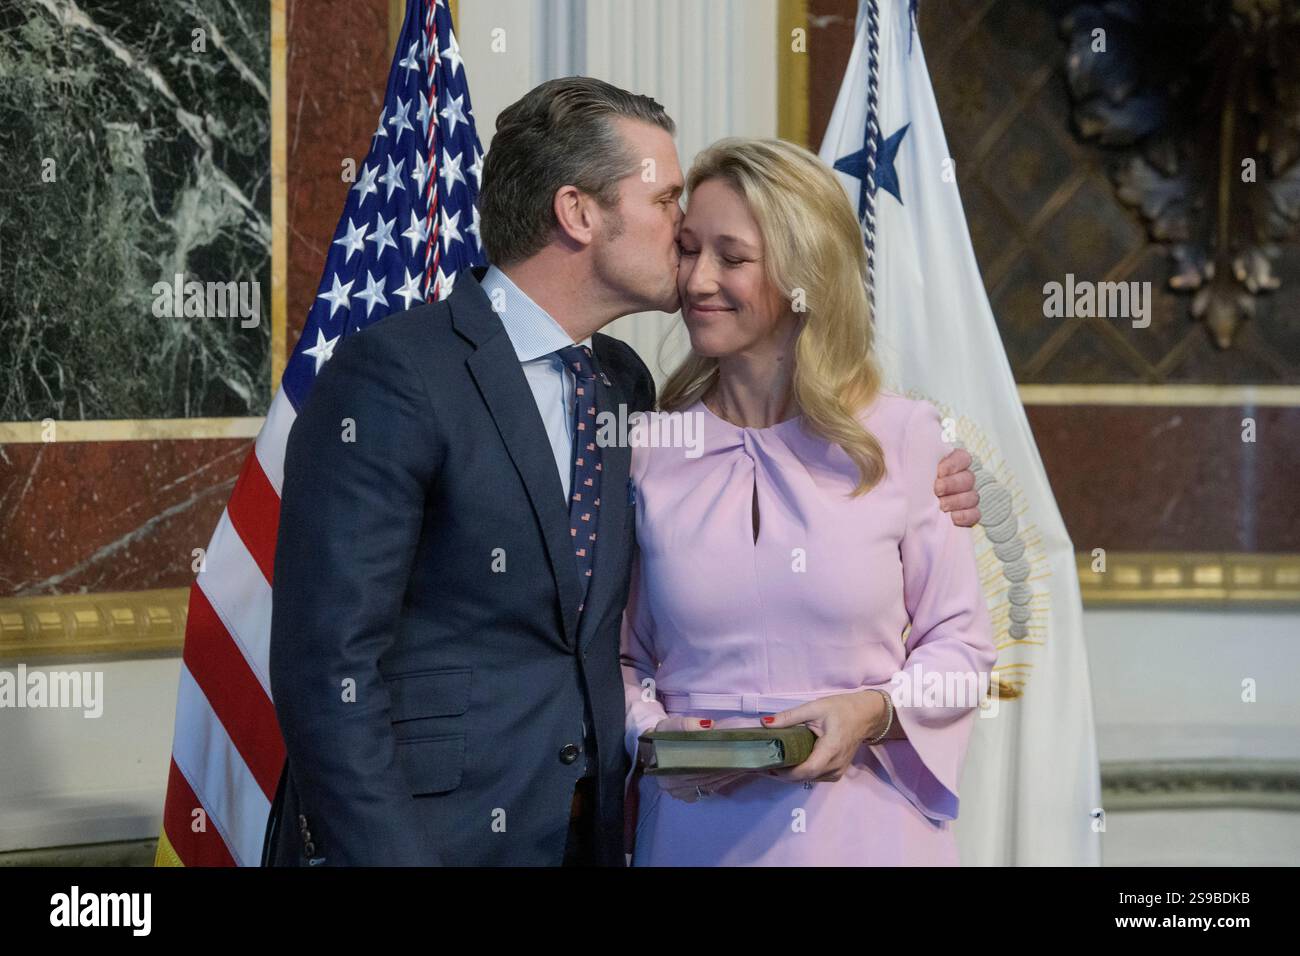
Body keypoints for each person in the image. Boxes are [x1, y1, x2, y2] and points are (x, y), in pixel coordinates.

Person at [264, 77, 981, 867]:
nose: (684, 239)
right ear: (578, 213)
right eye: (669, 204)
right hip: (439, 841)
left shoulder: (624, 388)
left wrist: (940, 491)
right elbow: (324, 670)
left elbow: (606, 632)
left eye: (724, 247)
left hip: (598, 835)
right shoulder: (395, 375)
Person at [621, 137, 997, 865]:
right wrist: (650, 732)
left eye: (732, 258)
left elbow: (963, 651)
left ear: (804, 272)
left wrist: (872, 712)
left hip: (871, 835)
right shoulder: (644, 449)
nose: (696, 280)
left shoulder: (906, 437)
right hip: (695, 836)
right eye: (688, 249)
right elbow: (612, 657)